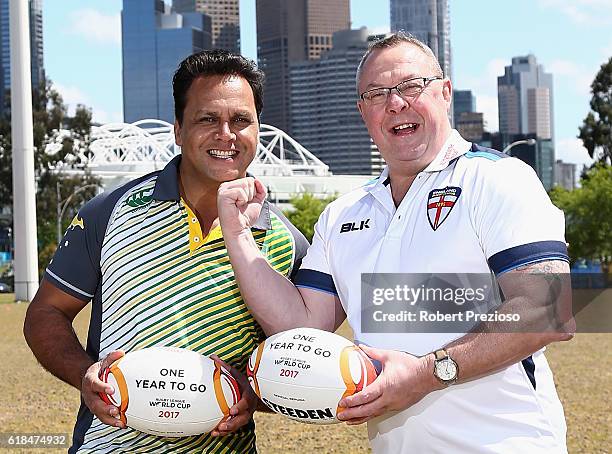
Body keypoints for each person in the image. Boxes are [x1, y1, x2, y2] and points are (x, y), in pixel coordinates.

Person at [217, 32, 575, 453]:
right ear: (362, 111)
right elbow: (302, 327)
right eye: (377, 93)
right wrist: (238, 234)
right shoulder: (343, 214)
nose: (396, 102)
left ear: (444, 93)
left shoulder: (496, 179)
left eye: (410, 86)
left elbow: (547, 309)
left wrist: (426, 373)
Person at [24, 49, 308, 453]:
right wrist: (86, 374)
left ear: (258, 129)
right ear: (177, 129)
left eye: (241, 120)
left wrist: (253, 393)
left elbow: (300, 359)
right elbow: (45, 314)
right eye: (207, 119)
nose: (226, 134)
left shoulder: (285, 240)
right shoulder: (109, 212)